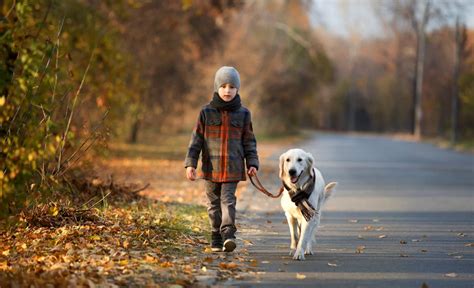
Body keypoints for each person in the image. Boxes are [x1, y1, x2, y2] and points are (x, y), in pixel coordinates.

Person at [184, 66, 259, 252]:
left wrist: (252, 163)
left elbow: (249, 142)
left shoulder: (243, 114)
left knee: (228, 201)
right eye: (224, 86)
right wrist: (190, 164)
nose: (227, 90)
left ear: (237, 89)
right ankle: (215, 235)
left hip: (232, 168)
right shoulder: (206, 112)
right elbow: (196, 140)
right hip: (210, 168)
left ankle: (228, 235)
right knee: (213, 204)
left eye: (232, 87)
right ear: (217, 87)